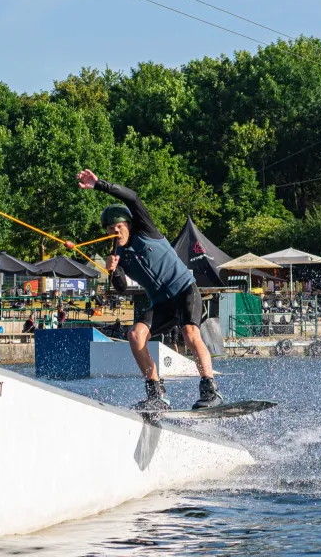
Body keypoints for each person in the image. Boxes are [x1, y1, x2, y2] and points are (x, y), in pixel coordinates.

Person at [76, 168, 222, 411]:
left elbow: (131, 198)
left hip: (185, 290)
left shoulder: (145, 230)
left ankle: (210, 389)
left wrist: (98, 184)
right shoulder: (116, 255)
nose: (115, 233)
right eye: (110, 230)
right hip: (162, 305)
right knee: (135, 335)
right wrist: (113, 272)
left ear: (128, 225)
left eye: (119, 227)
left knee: (189, 333)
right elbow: (121, 288)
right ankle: (157, 393)